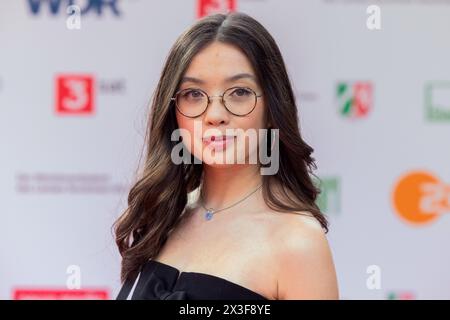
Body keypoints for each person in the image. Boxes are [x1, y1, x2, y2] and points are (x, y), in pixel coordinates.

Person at [114, 12, 338, 300]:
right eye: (193, 94)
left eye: (239, 92)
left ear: (272, 109)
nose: (216, 115)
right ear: (173, 110)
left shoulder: (298, 241)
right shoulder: (165, 215)